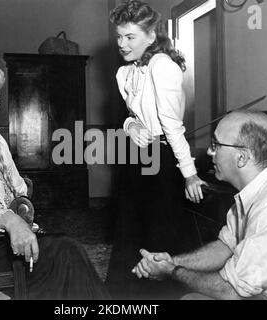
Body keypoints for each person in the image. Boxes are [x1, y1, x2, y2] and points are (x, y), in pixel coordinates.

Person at [0, 58, 110, 300]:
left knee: (67, 252)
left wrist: (17, 195)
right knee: (65, 253)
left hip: (2, 241)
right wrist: (9, 219)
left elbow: (17, 189)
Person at [132, 110, 267, 300]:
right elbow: (225, 247)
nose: (209, 151)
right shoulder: (262, 186)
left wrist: (171, 271)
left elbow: (230, 291)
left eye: (215, 144)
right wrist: (170, 261)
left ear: (242, 157)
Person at [105, 0, 205, 299]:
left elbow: (173, 128)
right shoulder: (125, 73)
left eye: (130, 37)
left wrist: (189, 175)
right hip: (137, 158)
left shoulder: (163, 66)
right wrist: (130, 126)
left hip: (163, 161)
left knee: (160, 237)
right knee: (128, 231)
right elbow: (130, 117)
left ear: (151, 36)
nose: (122, 44)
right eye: (120, 36)